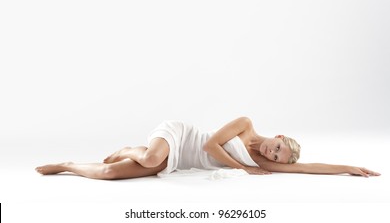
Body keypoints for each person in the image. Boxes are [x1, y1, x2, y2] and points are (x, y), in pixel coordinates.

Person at [35, 117, 380, 180]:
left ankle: (67, 165)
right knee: (153, 155)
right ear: (278, 135)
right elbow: (210, 145)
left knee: (110, 172)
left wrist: (349, 167)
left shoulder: (269, 165)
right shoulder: (246, 124)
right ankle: (130, 148)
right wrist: (243, 168)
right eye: (277, 148)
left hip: (179, 163)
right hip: (181, 137)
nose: (272, 156)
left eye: (277, 158)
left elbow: (309, 168)